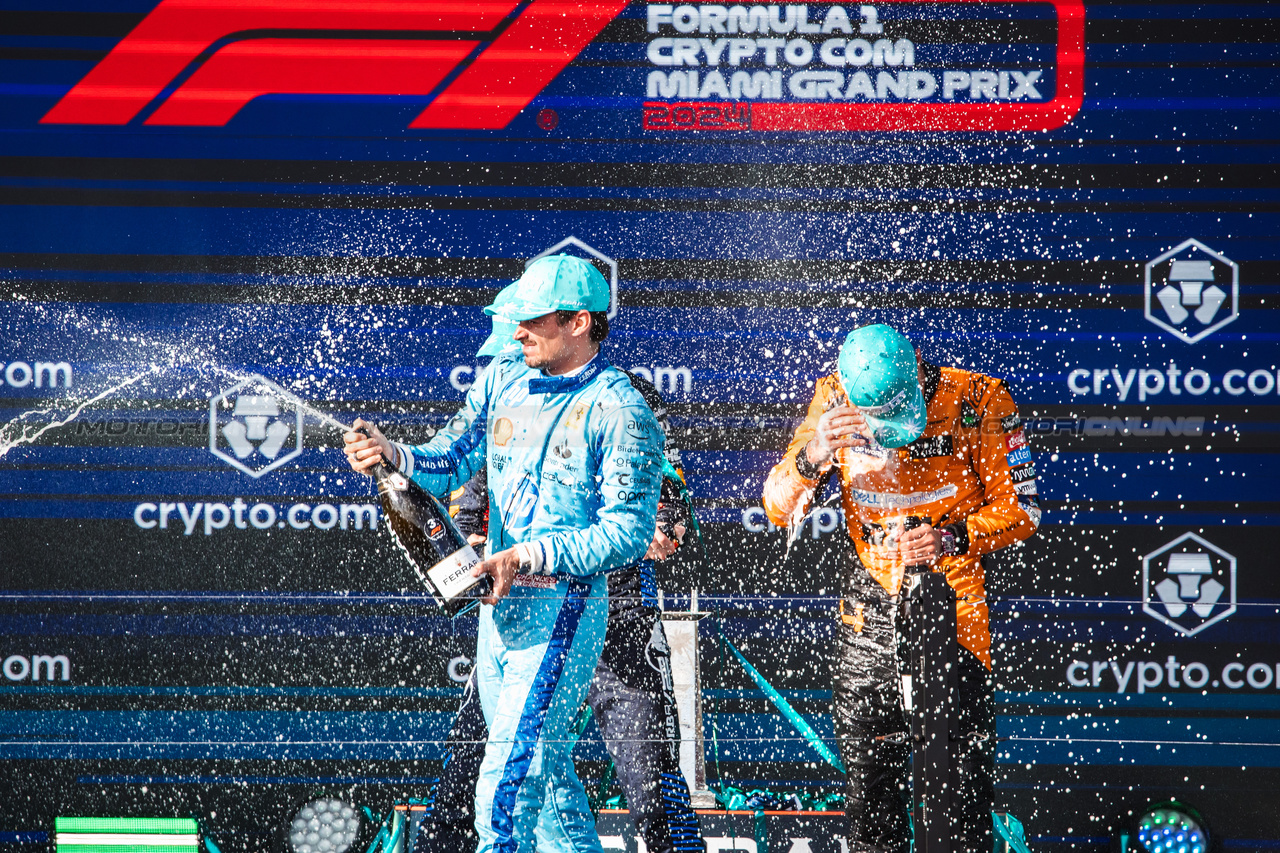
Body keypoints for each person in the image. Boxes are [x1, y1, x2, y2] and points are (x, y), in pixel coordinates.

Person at [344, 254, 666, 853]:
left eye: (530, 320)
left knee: (506, 790)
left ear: (578, 322)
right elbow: (447, 461)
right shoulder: (502, 377)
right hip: (498, 617)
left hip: (562, 614)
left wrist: (525, 557)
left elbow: (625, 533)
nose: (516, 331)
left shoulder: (622, 411)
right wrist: (393, 453)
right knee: (549, 792)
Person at [423, 284, 704, 853]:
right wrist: (477, 548)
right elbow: (466, 502)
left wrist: (661, 525)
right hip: (527, 617)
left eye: (516, 343)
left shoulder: (620, 402)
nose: (507, 361)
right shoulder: (503, 399)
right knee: (480, 770)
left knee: (650, 780)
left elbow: (668, 503)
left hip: (615, 613)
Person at [762, 323, 1041, 853]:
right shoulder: (833, 399)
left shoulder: (979, 398)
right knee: (869, 801)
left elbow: (1023, 510)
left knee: (957, 800)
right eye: (879, 417)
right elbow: (777, 506)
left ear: (916, 367)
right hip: (868, 608)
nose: (888, 427)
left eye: (898, 410)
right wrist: (816, 452)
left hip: (952, 606)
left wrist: (951, 537)